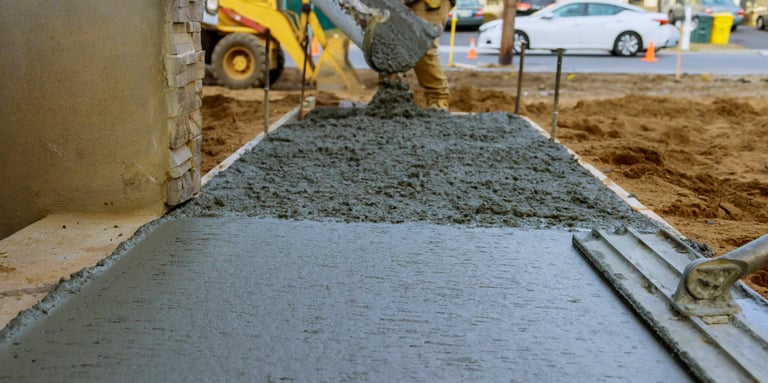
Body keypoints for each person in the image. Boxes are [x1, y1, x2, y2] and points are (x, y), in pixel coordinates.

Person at [405, 0, 453, 110]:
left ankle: (438, 102)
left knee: (423, 47)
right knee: (388, 45)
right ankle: (390, 95)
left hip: (427, 3)